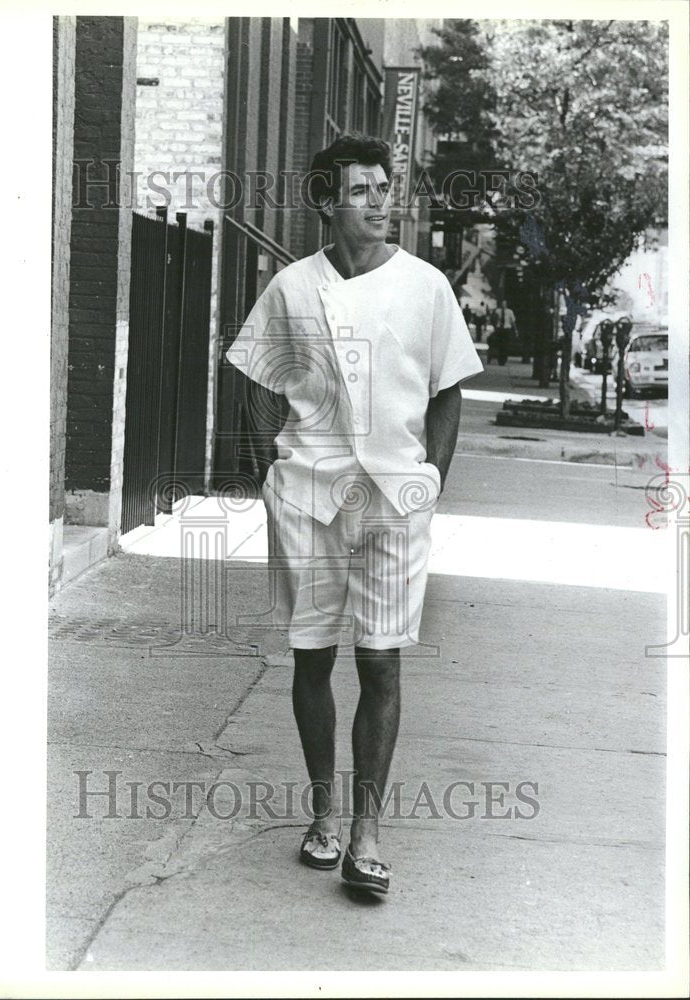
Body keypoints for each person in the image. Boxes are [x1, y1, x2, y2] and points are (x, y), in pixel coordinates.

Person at [226, 134, 482, 895]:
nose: (381, 202)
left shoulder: (426, 286)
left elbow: (448, 388)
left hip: (396, 498)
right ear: (326, 203)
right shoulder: (293, 288)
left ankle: (367, 832)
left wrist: (431, 476)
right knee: (312, 656)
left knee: (381, 657)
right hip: (308, 492)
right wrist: (270, 461)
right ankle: (322, 814)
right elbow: (255, 376)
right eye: (364, 191)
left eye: (385, 188)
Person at [490, 299, 517, 365]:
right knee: (500, 344)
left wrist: (515, 330)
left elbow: (513, 321)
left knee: (505, 345)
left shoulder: (510, 312)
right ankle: (500, 359)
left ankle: (504, 359)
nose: (503, 305)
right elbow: (493, 319)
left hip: (506, 329)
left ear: (506, 305)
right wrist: (495, 327)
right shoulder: (497, 311)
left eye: (504, 304)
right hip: (499, 329)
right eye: (502, 304)